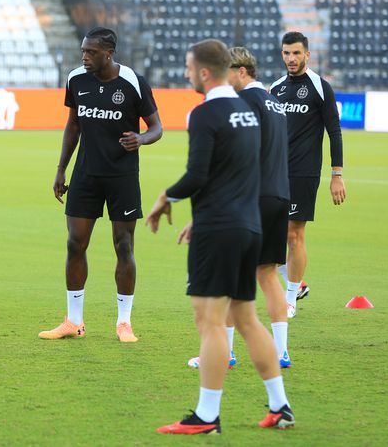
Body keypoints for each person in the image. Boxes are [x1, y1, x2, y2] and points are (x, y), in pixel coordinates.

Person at [148, 39, 294, 435]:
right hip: (249, 226)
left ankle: (206, 415)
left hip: (221, 229)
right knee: (246, 318)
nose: (185, 74)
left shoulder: (206, 113)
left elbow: (197, 175)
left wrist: (165, 197)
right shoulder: (247, 111)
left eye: (188, 67)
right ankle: (280, 405)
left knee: (210, 322)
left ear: (205, 72)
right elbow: (242, 172)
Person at [39, 27, 163, 342]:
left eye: (91, 52)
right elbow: (74, 124)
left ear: (108, 53)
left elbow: (157, 127)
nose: (84, 56)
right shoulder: (76, 79)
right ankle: (73, 321)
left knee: (124, 245)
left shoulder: (133, 82)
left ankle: (124, 322)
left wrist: (142, 139)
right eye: (83, 50)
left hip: (122, 177)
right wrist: (61, 169)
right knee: (74, 243)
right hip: (85, 175)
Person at [185, 46, 292, 370]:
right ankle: (281, 351)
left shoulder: (243, 102)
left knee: (230, 277)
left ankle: (224, 351)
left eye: (228, 73)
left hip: (251, 198)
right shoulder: (275, 102)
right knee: (268, 274)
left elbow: (240, 158)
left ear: (241, 71)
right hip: (280, 195)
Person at [270, 31, 346, 318]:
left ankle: (289, 299)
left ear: (307, 55)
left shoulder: (320, 87)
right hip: (273, 172)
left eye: (296, 53)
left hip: (303, 172)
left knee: (293, 234)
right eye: (287, 53)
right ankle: (297, 283)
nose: (291, 58)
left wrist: (336, 174)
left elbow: (334, 132)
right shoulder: (275, 88)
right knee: (262, 234)